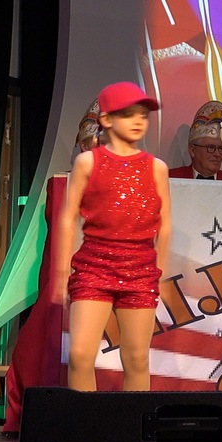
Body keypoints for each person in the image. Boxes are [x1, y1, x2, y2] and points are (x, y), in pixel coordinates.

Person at [52, 81, 172, 392]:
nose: (138, 121)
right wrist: (62, 271)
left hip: (140, 271)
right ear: (106, 119)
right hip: (94, 268)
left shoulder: (156, 168)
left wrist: (162, 272)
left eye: (143, 115)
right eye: (128, 114)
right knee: (80, 355)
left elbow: (165, 224)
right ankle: (85, 420)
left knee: (137, 358)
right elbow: (68, 217)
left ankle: (135, 422)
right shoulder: (88, 162)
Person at [168, 100, 222, 181]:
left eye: (220, 149)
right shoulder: (170, 179)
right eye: (211, 148)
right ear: (192, 150)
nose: (217, 154)